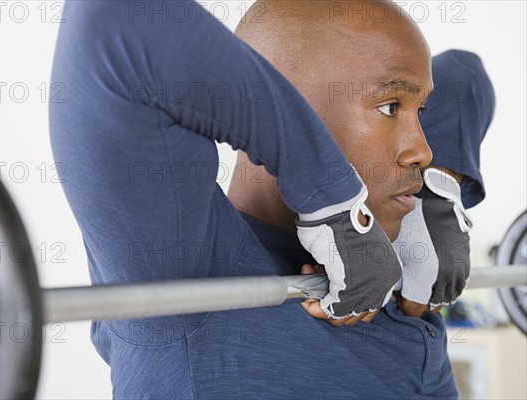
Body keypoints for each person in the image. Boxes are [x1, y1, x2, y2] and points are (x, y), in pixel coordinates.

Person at [49, 1, 494, 398]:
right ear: (280, 97)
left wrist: (441, 189)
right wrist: (329, 197)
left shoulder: (395, 252)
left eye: (421, 112)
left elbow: (466, 73)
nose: (423, 150)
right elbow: (109, 17)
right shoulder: (181, 261)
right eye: (389, 107)